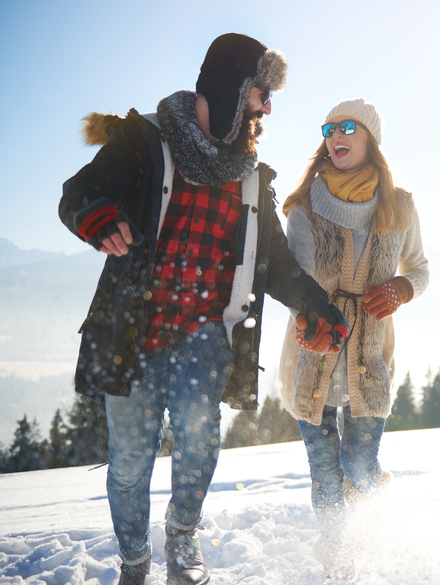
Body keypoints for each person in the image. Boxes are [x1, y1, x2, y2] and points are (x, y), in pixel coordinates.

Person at [58, 33, 346, 585]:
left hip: (205, 331)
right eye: (261, 92)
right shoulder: (142, 141)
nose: (267, 107)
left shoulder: (251, 176)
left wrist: (315, 304)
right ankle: (135, 558)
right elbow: (80, 190)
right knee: (131, 461)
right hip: (136, 330)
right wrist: (95, 214)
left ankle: (183, 536)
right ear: (230, 87)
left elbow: (277, 260)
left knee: (198, 435)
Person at [278, 99, 429, 581]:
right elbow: (290, 280)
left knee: (359, 468)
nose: (335, 135)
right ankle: (336, 565)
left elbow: (421, 270)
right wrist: (308, 319)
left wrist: (402, 289)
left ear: (370, 139)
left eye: (347, 127)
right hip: (314, 357)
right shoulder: (303, 208)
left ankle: (373, 493)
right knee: (325, 474)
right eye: (328, 128)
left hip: (370, 360)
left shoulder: (400, 205)